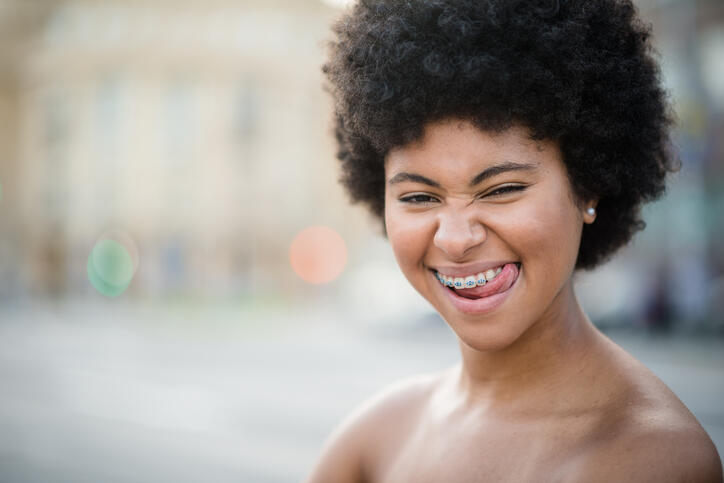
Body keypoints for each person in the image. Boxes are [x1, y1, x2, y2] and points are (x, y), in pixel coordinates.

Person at [306, 0, 722, 481]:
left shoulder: (652, 459)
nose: (457, 238)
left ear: (588, 186)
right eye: (419, 197)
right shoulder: (371, 443)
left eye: (502, 189)